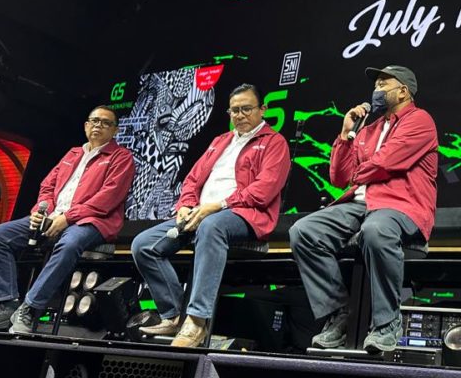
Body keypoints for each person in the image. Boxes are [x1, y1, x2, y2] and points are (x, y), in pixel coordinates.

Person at [289, 65, 438, 353]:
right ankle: (339, 314)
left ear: (403, 91)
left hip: (399, 205)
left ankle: (387, 323)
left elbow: (385, 163)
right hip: (359, 204)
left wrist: (359, 173)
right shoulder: (368, 130)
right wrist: (346, 134)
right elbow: (339, 177)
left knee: (376, 230)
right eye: (376, 85)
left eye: (383, 84)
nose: (376, 90)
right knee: (303, 231)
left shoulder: (420, 120)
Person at [131, 83, 290, 347]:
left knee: (211, 227)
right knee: (143, 245)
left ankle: (196, 321)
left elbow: (264, 190)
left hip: (243, 215)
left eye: (246, 109)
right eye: (234, 110)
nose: (239, 115)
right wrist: (186, 204)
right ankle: (174, 316)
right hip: (199, 213)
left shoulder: (274, 142)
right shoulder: (220, 141)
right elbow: (193, 179)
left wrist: (218, 205)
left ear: (263, 109)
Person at [0, 105, 135, 334]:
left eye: (106, 123)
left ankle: (30, 308)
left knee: (70, 245)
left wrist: (68, 217)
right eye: (94, 121)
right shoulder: (72, 154)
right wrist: (41, 211)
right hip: (53, 217)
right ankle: (6, 305)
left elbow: (108, 198)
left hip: (92, 221)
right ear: (86, 125)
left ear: (115, 130)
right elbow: (47, 186)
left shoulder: (121, 157)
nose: (99, 125)